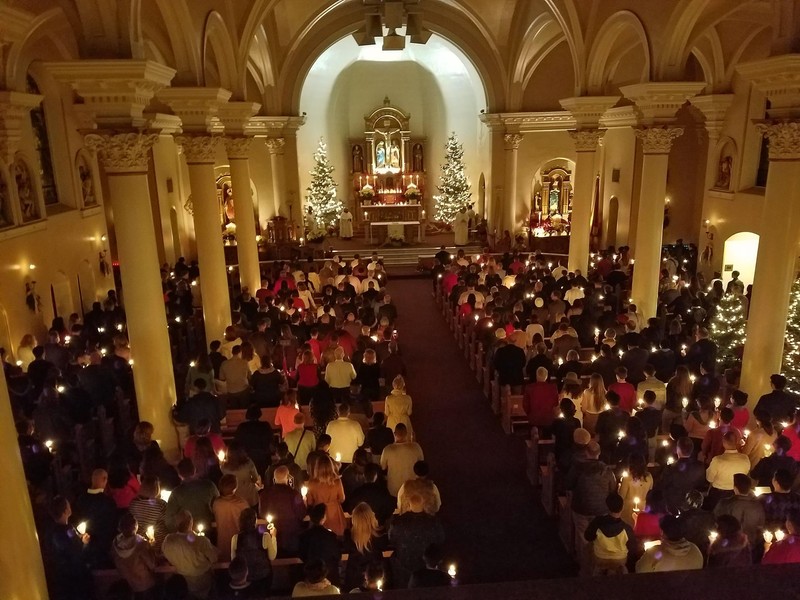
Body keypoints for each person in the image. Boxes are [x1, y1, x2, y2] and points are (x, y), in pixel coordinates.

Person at [565, 441, 617, 572]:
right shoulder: (607, 471)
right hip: (601, 510)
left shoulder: (578, 468)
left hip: (582, 508)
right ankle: (597, 563)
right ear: (599, 454)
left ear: (586, 453)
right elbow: (613, 490)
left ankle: (585, 565)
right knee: (599, 537)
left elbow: (568, 484)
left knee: (583, 537)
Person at [389, 493, 446, 587]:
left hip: (405, 566)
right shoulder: (433, 521)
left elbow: (392, 540)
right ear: (423, 504)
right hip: (428, 566)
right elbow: (441, 539)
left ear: (409, 504)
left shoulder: (397, 522)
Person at [42, 496, 93, 600]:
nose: (70, 507)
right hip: (71, 578)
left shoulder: (53, 529)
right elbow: (74, 553)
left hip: (60, 576)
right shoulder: (62, 531)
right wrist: (84, 543)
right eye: (68, 505)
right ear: (65, 511)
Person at [162, 509, 219, 599]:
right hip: (203, 582)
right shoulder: (201, 541)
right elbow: (214, 558)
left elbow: (165, 556)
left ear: (176, 524)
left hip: (184, 582)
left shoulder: (168, 540)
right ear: (191, 522)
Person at [72, 468, 118, 568]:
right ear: (105, 480)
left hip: (85, 544)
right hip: (104, 546)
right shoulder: (108, 502)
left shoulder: (80, 500)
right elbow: (113, 524)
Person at [258, 465, 306, 556]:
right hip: (291, 535)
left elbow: (262, 513)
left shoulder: (265, 494)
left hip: (272, 533)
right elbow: (301, 514)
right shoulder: (294, 494)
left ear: (274, 479)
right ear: (288, 477)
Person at [584, 493, 637, 575]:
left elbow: (587, 537)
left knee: (588, 547)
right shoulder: (626, 528)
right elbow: (633, 548)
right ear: (622, 508)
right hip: (620, 559)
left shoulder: (597, 523)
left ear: (607, 508)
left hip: (600, 557)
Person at [231, 508, 277, 595]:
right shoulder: (265, 536)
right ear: (255, 521)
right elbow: (272, 556)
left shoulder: (235, 538)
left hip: (245, 578)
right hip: (263, 576)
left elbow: (234, 560)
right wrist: (273, 536)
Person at [342, 502, 388, 591]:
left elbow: (346, 547)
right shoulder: (380, 534)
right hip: (376, 576)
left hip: (355, 577)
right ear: (371, 517)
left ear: (354, 519)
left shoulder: (349, 536)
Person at [165, 458, 220, 531]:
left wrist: (179, 531)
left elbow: (169, 520)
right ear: (195, 470)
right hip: (209, 528)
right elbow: (219, 506)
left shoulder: (176, 492)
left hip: (187, 532)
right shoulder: (209, 486)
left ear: (179, 474)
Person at [110, 512, 157, 597]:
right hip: (144, 585)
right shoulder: (141, 544)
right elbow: (152, 565)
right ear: (135, 526)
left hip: (128, 586)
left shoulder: (115, 544)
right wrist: (151, 546)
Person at [635, 515, 703, 572]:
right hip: (691, 587)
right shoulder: (695, 549)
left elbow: (639, 570)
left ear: (662, 532)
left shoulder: (654, 552)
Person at [713, 473, 765, 550]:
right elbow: (760, 526)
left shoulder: (725, 504)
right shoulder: (758, 506)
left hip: (729, 545)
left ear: (735, 488)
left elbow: (715, 520)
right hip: (750, 544)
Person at [298, 504, 342, 587]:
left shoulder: (304, 536)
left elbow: (301, 555)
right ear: (324, 517)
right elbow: (337, 555)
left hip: (311, 575)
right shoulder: (330, 536)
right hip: (329, 575)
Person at [706, 431, 750, 509]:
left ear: (723, 443)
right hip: (735, 494)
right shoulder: (745, 458)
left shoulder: (718, 460)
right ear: (736, 442)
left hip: (718, 494)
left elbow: (709, 478)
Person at [305, 455, 346, 536]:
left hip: (319, 513)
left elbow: (309, 502)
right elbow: (342, 499)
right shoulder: (337, 481)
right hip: (334, 512)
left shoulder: (312, 483)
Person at [213, 474, 250, 562]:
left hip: (222, 542)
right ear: (235, 488)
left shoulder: (217, 503)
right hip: (239, 542)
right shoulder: (242, 503)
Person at [381, 423, 424, 496]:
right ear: (406, 433)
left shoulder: (387, 449)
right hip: (411, 488)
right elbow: (421, 464)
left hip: (393, 489)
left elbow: (383, 466)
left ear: (394, 434)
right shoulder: (416, 447)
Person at [128, 474, 168, 551]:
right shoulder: (161, 504)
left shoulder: (133, 503)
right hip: (157, 541)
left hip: (139, 540)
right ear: (157, 488)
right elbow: (167, 521)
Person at [221, 441, 262, 508]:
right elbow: (255, 478)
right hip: (250, 497)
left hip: (234, 498)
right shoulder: (248, 463)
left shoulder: (224, 467)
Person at [235, 404, 274, 475]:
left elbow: (237, 442)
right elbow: (271, 440)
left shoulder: (242, 427)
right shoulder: (265, 425)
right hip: (263, 458)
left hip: (247, 458)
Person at [619, 455, 653, 526]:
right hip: (643, 509)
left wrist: (619, 487)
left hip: (628, 511)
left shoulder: (627, 478)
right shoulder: (649, 477)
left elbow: (621, 497)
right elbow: (650, 492)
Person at [523, 366, 559, 433]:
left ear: (536, 375)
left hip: (534, 419)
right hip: (548, 420)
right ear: (546, 376)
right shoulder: (553, 388)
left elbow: (525, 405)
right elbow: (556, 403)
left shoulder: (529, 388)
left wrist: (530, 414)